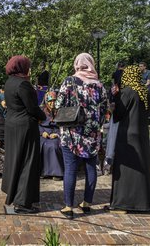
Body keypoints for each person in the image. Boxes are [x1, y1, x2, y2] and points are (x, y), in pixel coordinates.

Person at [55, 53, 107, 219]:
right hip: (92, 134)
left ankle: (68, 206)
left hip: (71, 134)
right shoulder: (99, 85)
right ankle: (87, 203)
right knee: (91, 167)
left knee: (70, 168)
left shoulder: (69, 81)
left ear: (77, 64)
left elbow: (58, 104)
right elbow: (105, 109)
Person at [1, 55, 46, 214]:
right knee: (28, 162)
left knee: (15, 160)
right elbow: (32, 108)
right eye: (28, 66)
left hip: (12, 125)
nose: (30, 69)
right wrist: (43, 117)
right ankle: (22, 203)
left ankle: (13, 195)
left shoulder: (9, 82)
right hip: (25, 127)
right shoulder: (23, 84)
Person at [109, 65, 150, 213]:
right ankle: (142, 203)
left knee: (126, 170)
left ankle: (123, 203)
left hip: (127, 134)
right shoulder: (144, 93)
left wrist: (115, 98)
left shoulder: (127, 92)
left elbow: (117, 116)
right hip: (141, 134)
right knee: (140, 170)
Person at [39, 91, 64, 180]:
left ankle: (57, 173)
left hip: (56, 133)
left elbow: (63, 125)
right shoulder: (41, 111)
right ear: (46, 101)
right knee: (41, 145)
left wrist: (57, 134)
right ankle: (44, 171)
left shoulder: (60, 111)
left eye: (54, 101)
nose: (52, 103)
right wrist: (42, 132)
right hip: (44, 134)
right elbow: (36, 124)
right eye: (50, 101)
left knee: (53, 145)